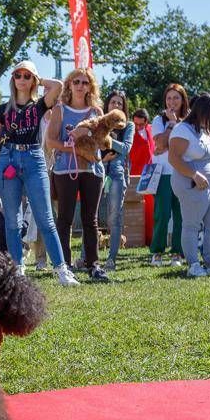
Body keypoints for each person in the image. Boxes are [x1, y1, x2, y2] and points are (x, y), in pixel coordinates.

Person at [0, 60, 79, 286]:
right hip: (8, 159)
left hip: (34, 159)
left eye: (26, 76)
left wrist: (37, 77)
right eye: (18, 75)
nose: (22, 79)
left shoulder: (40, 104)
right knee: (12, 220)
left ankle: (62, 270)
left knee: (46, 219)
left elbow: (58, 87)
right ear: (12, 80)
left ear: (32, 79)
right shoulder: (2, 110)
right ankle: (18, 269)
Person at [47, 67, 109, 282]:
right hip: (66, 169)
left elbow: (104, 141)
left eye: (85, 82)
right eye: (77, 82)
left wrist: (89, 136)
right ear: (69, 85)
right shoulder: (60, 110)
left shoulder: (97, 112)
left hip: (92, 170)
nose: (81, 86)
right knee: (65, 219)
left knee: (90, 219)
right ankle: (64, 266)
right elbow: (50, 141)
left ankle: (93, 265)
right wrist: (72, 144)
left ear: (90, 86)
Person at [168, 93, 210, 277]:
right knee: (192, 224)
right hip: (190, 183)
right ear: (203, 112)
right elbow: (173, 158)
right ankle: (193, 265)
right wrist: (194, 174)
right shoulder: (182, 130)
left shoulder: (205, 130)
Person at [149, 84, 188, 267]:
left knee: (180, 215)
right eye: (169, 98)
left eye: (176, 98)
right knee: (162, 214)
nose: (172, 102)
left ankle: (177, 254)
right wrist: (171, 124)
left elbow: (181, 147)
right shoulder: (159, 120)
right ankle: (157, 252)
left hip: (183, 172)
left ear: (183, 100)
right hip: (163, 172)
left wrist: (166, 142)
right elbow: (160, 144)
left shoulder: (189, 120)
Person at [102, 90, 134, 270]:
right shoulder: (100, 122)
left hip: (116, 175)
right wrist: (102, 158)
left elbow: (126, 148)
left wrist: (105, 139)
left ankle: (111, 259)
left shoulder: (128, 126)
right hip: (98, 171)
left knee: (114, 217)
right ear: (107, 105)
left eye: (119, 103)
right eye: (113, 102)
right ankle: (86, 258)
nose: (115, 106)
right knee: (89, 217)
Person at [130, 108, 155, 246]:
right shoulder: (131, 133)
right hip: (135, 173)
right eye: (135, 124)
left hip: (150, 172)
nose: (138, 127)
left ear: (146, 122)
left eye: (141, 124)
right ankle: (140, 238)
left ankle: (151, 238)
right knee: (138, 208)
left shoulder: (151, 130)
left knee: (151, 207)